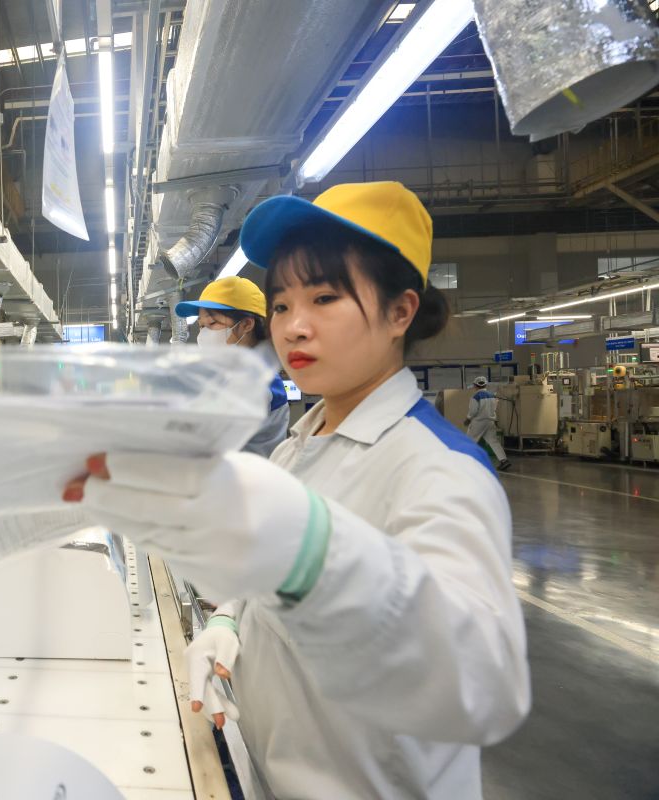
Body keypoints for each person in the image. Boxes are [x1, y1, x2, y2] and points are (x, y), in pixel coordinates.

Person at [62, 181, 529, 799]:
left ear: (400, 311)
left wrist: (308, 547)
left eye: (326, 297)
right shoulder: (296, 445)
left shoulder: (441, 470)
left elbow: (483, 688)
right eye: (281, 305)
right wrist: (231, 620)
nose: (294, 327)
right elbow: (277, 588)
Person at [175, 276, 289, 457]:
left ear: (246, 324)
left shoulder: (256, 381)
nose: (203, 334)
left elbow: (201, 442)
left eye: (213, 323)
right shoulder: (232, 376)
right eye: (201, 326)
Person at [465, 376, 510, 470]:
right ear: (486, 384)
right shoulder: (492, 395)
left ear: (475, 385)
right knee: (494, 442)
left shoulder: (475, 396)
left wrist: (468, 418)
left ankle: (466, 462)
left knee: (470, 441)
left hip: (478, 422)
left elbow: (473, 411)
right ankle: (504, 460)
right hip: (490, 422)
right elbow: (494, 408)